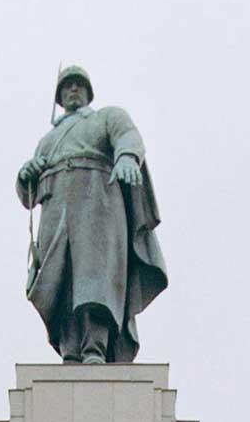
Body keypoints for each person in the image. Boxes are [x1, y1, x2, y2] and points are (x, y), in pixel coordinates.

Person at [15, 65, 167, 365]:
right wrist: (25, 176)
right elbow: (27, 195)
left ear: (88, 92)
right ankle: (70, 349)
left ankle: (94, 347)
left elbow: (128, 137)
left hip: (97, 204)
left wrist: (126, 157)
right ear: (59, 96)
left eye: (78, 85)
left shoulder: (106, 117)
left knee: (94, 280)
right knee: (61, 282)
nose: (73, 90)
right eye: (67, 86)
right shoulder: (48, 140)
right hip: (56, 211)